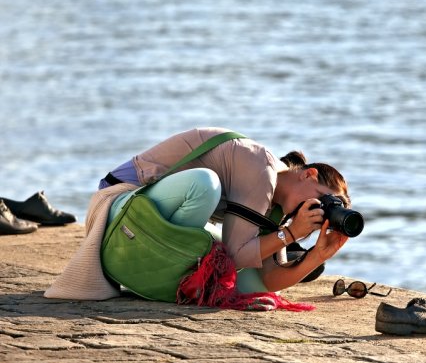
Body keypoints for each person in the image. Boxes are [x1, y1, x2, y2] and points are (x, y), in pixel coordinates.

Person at [44, 127, 350, 301]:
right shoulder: (262, 168)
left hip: (141, 249)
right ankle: (188, 283)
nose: (320, 211)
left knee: (252, 282)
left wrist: (315, 256)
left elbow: (268, 279)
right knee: (205, 184)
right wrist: (290, 235)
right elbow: (233, 253)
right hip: (120, 214)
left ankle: (179, 282)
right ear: (308, 175)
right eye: (324, 200)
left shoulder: (278, 210)